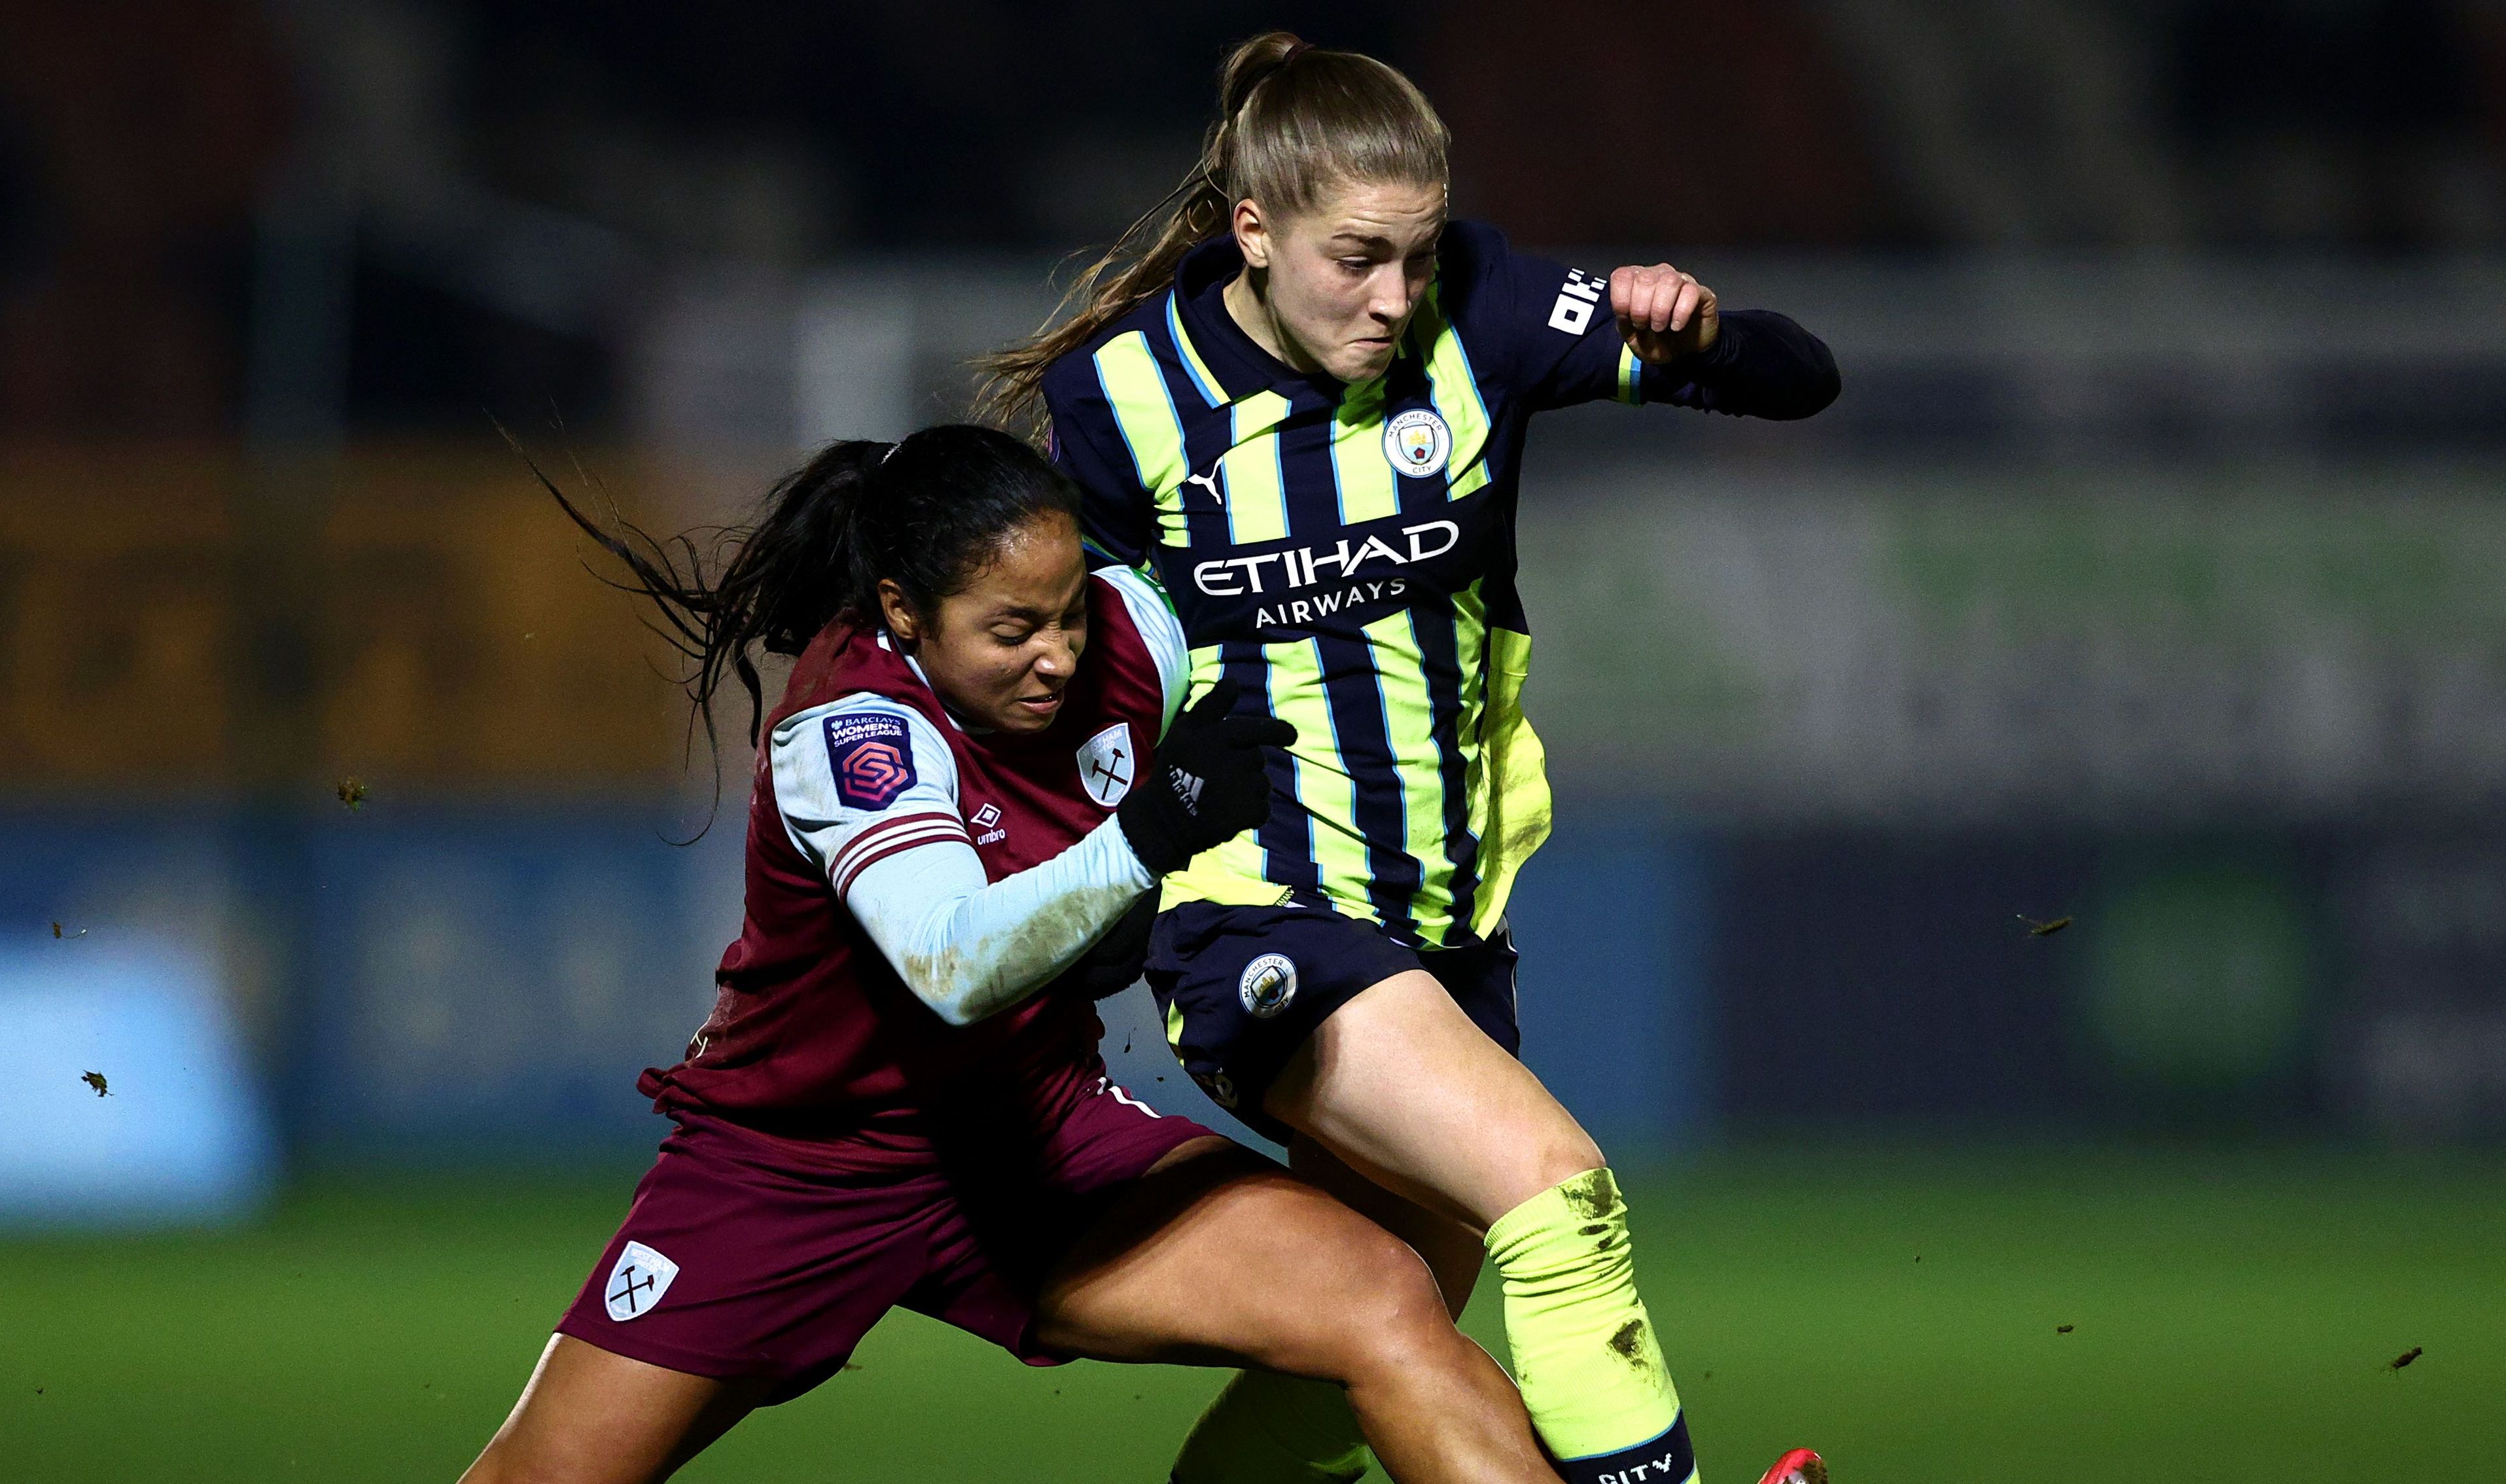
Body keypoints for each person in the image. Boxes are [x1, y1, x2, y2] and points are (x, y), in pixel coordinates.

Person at [981, 33, 1841, 1484]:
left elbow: (1800, 381)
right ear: (1253, 231)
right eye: (1356, 258)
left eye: (1417, 254)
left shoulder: (1479, 310)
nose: (1393, 299)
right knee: (1559, 1200)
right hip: (1253, 917)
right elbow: (1068, 685)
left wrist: (1703, 339)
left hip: (1443, 930)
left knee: (1380, 1322)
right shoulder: (1115, 404)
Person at [458, 425, 1567, 1484]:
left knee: (1381, 1296)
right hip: (797, 1168)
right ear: (905, 612)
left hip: (1032, 1138)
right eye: (1012, 630)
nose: (1057, 655)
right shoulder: (852, 732)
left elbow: (1292, 656)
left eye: (1069, 611)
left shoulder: (1133, 632)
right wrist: (1147, 840)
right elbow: (951, 965)